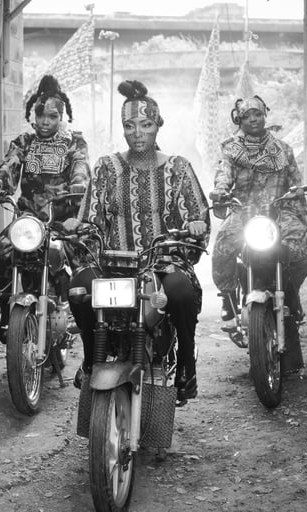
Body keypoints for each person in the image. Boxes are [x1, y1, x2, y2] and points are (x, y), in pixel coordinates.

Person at [63, 80, 211, 406]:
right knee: (78, 288)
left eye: (146, 125)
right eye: (130, 126)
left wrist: (195, 225)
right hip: (112, 263)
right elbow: (91, 217)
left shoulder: (178, 168)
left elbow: (198, 216)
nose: (137, 133)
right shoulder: (106, 167)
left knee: (182, 293)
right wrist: (80, 226)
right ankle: (90, 358)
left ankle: (186, 365)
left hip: (163, 263)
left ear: (158, 125)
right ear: (123, 129)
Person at [0, 75, 89, 342]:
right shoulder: (24, 142)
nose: (45, 122)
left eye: (52, 116)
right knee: (2, 251)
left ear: (61, 117)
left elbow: (81, 166)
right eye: (40, 115)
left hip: (63, 219)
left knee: (85, 260)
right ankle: (7, 306)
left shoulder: (73, 142)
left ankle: (80, 314)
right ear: (33, 114)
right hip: (29, 220)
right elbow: (9, 166)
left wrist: (79, 183)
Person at [209, 95, 307, 370]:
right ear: (239, 120)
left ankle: (289, 290)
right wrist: (220, 190)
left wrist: (297, 192)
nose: (253, 119)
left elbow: (295, 180)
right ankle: (228, 299)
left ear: (265, 115)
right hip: (244, 211)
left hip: (279, 210)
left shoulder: (283, 149)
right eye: (246, 116)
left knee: (303, 248)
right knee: (222, 247)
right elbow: (223, 174)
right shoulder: (231, 149)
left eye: (257, 114)